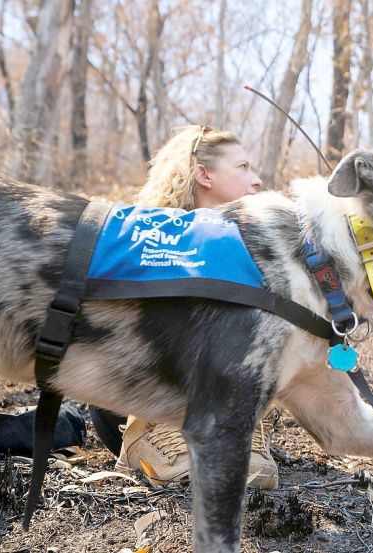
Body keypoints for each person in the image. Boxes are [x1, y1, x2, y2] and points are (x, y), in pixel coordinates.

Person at [89, 124, 277, 490]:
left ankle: (242, 428)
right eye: (242, 168)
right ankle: (149, 436)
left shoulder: (256, 245)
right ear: (204, 174)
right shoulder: (145, 234)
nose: (256, 180)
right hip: (133, 402)